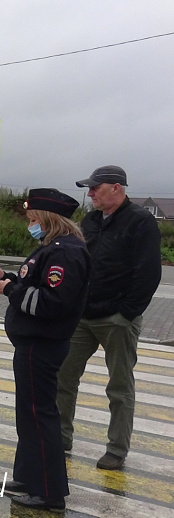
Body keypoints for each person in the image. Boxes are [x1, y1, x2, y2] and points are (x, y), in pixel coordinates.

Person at [0, 188, 90, 512]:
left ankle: (49, 492)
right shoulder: (53, 248)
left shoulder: (64, 252)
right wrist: (6, 278)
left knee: (40, 416)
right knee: (28, 416)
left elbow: (51, 302)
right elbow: (33, 285)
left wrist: (11, 292)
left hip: (41, 344)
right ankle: (28, 476)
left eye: (33, 219)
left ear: (47, 219)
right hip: (34, 343)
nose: (30, 224)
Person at [56, 165, 162, 470]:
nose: (89, 194)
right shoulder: (90, 220)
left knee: (119, 386)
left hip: (117, 319)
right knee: (63, 376)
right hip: (83, 316)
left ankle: (116, 449)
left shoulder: (140, 222)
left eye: (95, 188)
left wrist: (127, 312)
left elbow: (148, 273)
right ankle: (61, 438)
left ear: (116, 188)